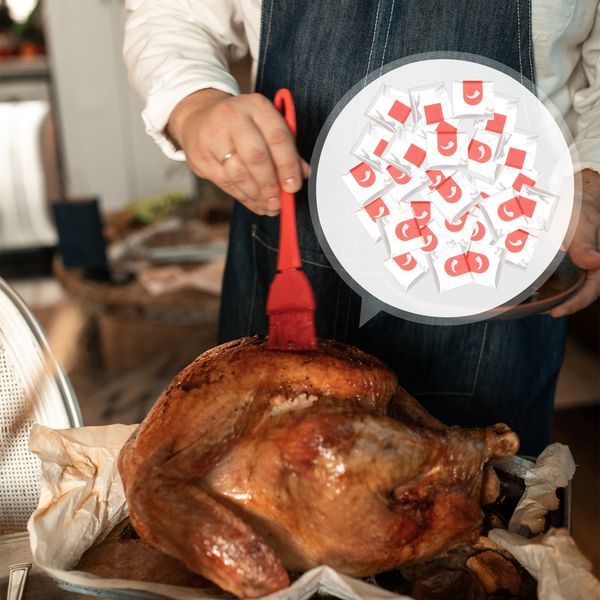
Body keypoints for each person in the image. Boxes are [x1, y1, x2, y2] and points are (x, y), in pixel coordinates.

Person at [123, 0, 600, 455]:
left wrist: (593, 180)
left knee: (476, 506)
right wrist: (194, 102)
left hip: (499, 273)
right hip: (289, 248)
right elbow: (172, 12)